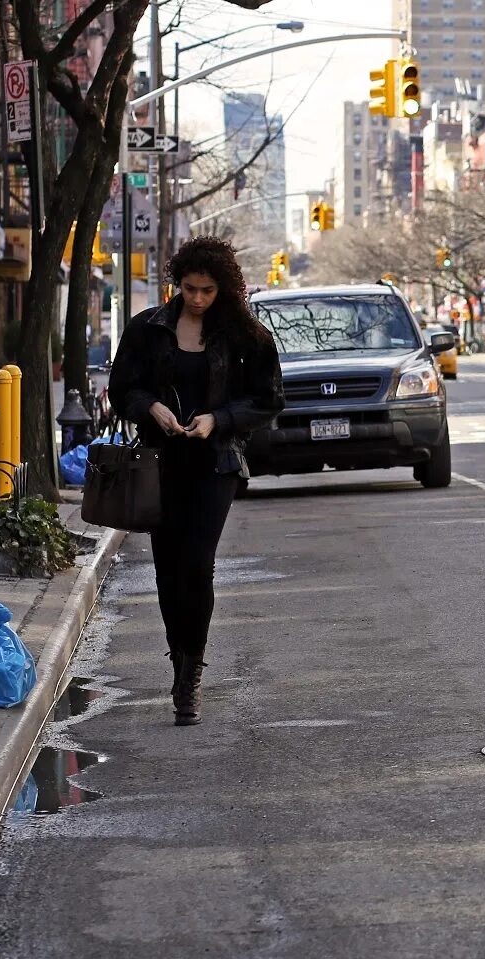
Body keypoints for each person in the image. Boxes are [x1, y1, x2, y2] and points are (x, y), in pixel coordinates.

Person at [108, 237, 285, 725]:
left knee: (198, 563)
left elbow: (269, 400)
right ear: (177, 283)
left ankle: (191, 678)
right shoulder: (148, 329)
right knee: (167, 568)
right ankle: (178, 657)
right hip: (159, 463)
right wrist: (152, 407)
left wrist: (220, 419)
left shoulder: (246, 335)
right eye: (190, 288)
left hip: (215, 464)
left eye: (207, 290)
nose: (198, 298)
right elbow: (122, 388)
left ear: (222, 287)